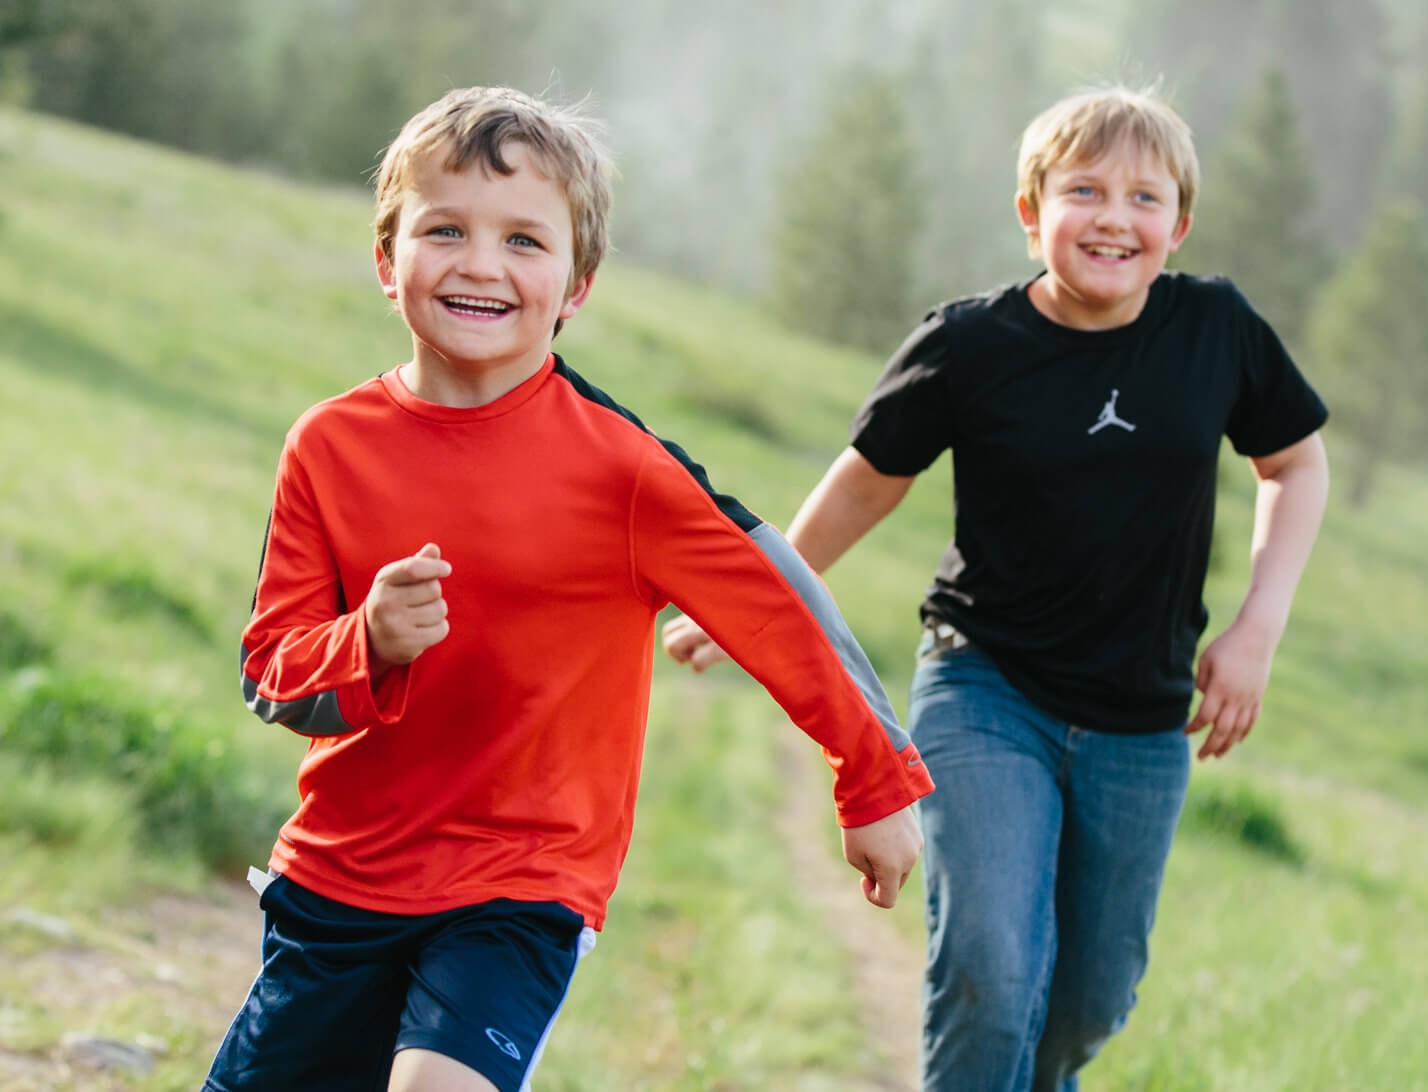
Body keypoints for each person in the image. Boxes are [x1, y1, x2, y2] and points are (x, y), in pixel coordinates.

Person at [202, 86, 932, 1092]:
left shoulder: (622, 470)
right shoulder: (329, 446)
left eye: (525, 241)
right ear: (387, 259)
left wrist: (872, 775)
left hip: (524, 877)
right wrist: (366, 641)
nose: (482, 264)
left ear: (576, 285)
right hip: (342, 873)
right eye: (445, 228)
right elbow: (269, 674)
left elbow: (771, 604)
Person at [664, 84, 1330, 1091]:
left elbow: (1295, 463)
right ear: (1031, 214)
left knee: (1091, 998)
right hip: (987, 688)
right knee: (992, 966)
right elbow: (863, 489)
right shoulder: (971, 345)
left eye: (1145, 198)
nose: (1115, 216)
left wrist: (1257, 628)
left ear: (1179, 225)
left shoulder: (1216, 330)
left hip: (1141, 722)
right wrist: (757, 597)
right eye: (1085, 190)